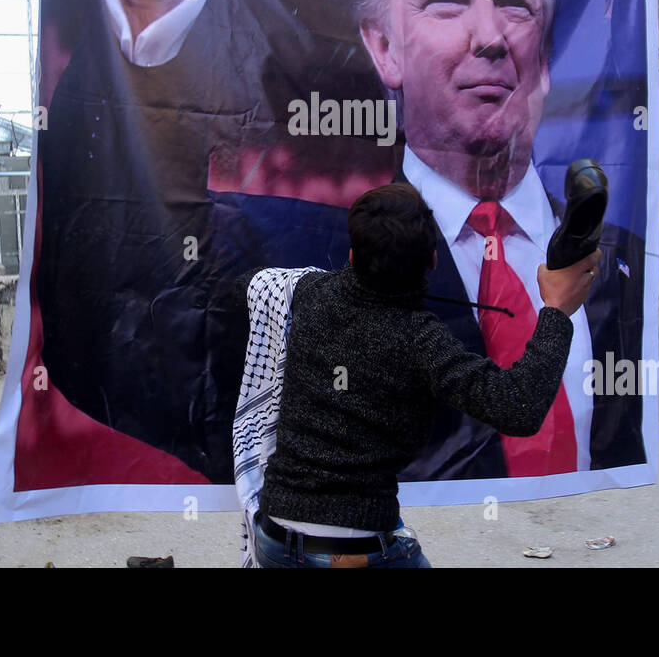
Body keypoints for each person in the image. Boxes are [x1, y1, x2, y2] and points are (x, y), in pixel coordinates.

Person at [35, 0, 644, 484]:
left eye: (513, 3)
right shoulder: (302, 260)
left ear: (544, 48)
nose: (489, 36)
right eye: (446, 1)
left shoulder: (614, 266)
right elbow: (112, 335)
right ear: (382, 47)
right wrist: (151, 2)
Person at [252, 183, 600, 568]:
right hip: (357, 551)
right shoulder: (419, 339)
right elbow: (516, 405)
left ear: (352, 255)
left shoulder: (306, 293)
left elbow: (248, 287)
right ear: (434, 260)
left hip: (274, 538)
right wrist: (556, 310)